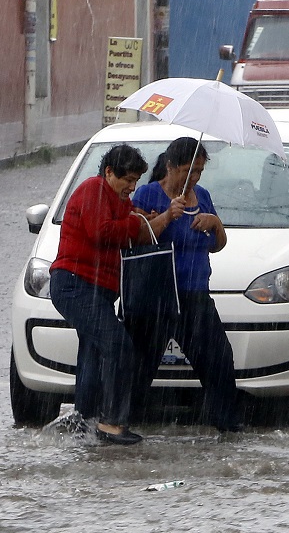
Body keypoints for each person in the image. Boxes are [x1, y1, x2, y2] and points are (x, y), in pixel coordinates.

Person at [49, 144, 163, 445]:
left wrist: (136, 216)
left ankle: (84, 420)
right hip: (74, 284)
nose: (132, 186)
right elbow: (102, 231)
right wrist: (134, 222)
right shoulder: (94, 189)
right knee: (118, 346)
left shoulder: (115, 199)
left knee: (93, 351)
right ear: (109, 172)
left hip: (95, 289)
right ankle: (111, 423)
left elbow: (122, 224)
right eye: (127, 179)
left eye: (136, 180)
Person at [128, 136, 243, 433]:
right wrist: (167, 216)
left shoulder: (202, 195)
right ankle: (122, 421)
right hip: (157, 295)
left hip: (195, 293)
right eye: (187, 171)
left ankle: (226, 422)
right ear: (170, 167)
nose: (193, 178)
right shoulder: (147, 194)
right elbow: (136, 238)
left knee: (218, 357)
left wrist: (214, 224)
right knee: (140, 364)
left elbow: (217, 245)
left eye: (199, 172)